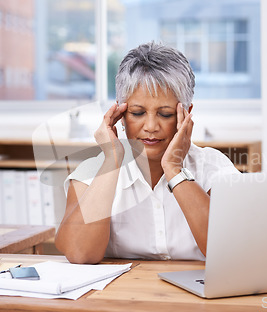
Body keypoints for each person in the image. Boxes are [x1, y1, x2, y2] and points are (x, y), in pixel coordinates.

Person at [55, 42, 240, 264]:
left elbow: (231, 252)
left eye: (165, 114)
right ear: (119, 114)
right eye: (138, 112)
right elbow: (80, 253)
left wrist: (175, 170)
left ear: (186, 115)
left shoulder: (214, 167)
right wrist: (111, 161)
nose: (151, 126)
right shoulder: (92, 172)